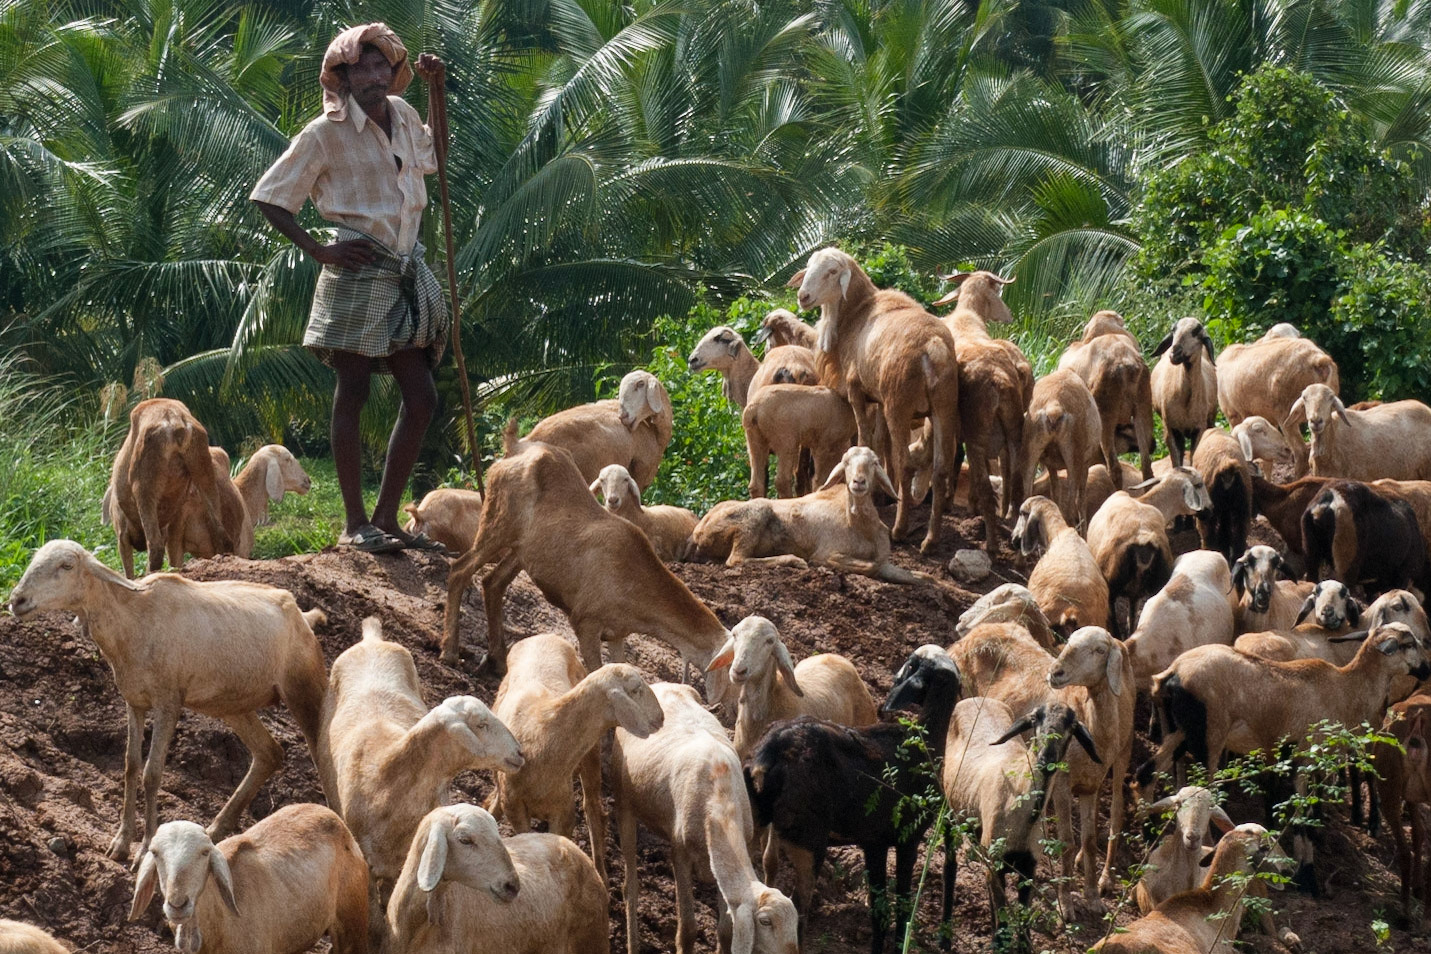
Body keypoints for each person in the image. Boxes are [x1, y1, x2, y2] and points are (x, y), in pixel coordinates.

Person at [251, 23, 449, 552]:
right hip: (356, 268)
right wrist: (319, 250)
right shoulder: (324, 132)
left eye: (382, 66)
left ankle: (386, 518)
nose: (374, 76)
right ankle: (354, 523)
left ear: (393, 71)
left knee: (422, 397)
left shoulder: (402, 114)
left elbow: (437, 159)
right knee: (354, 389)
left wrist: (437, 91)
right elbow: (271, 196)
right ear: (342, 76)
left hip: (404, 267)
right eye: (362, 68)